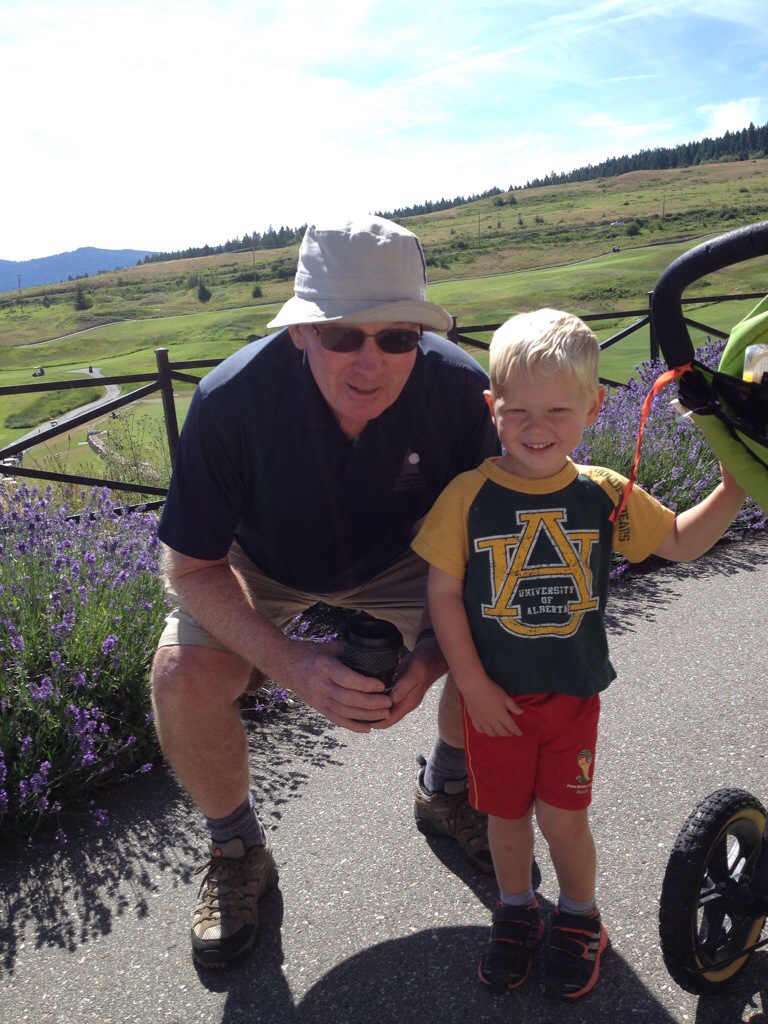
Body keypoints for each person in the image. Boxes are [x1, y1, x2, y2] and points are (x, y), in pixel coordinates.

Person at [150, 215, 500, 969]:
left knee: (508, 631)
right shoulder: (230, 402)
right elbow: (191, 567)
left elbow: (486, 548)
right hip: (265, 564)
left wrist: (433, 656)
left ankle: (448, 788)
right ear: (301, 333)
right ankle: (236, 848)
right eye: (343, 336)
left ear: (420, 336)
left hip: (413, 556)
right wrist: (294, 665)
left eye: (397, 337)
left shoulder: (462, 391)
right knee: (182, 676)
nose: (371, 363)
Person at [411, 308, 747, 1000]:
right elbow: (442, 596)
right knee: (505, 819)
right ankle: (515, 910)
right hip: (493, 701)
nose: (536, 427)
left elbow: (679, 541)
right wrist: (471, 686)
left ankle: (579, 916)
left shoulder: (602, 493)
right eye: (518, 411)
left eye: (558, 411)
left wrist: (733, 487)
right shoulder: (467, 497)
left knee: (563, 820)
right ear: (492, 407)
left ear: (595, 408)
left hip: (569, 699)